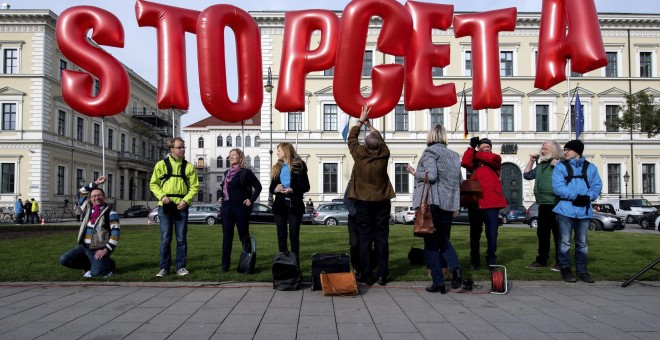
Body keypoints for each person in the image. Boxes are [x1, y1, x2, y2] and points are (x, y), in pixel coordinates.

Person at [406, 124, 463, 293]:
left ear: (430, 136)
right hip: (449, 204)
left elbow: (431, 176)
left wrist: (414, 172)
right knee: (444, 240)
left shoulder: (430, 152)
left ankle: (438, 281)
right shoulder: (454, 156)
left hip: (433, 203)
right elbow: (459, 181)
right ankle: (455, 268)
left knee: (431, 243)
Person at [348, 105, 395, 286]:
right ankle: (383, 274)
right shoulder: (384, 153)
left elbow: (351, 137)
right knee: (382, 238)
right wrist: (370, 127)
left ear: (365, 144)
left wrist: (361, 121)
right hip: (382, 201)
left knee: (365, 239)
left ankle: (366, 275)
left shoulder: (359, 154)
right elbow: (380, 140)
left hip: (363, 202)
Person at [552, 140, 602, 283]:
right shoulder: (560, 167)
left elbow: (597, 185)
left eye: (568, 150)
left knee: (582, 243)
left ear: (577, 152)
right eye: (564, 149)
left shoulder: (590, 168)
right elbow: (558, 187)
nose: (564, 152)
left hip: (583, 211)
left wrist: (588, 197)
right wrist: (576, 196)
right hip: (565, 210)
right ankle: (565, 269)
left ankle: (582, 271)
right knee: (564, 242)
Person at [150, 137, 199, 277]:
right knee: (165, 239)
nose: (183, 149)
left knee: (181, 239)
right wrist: (162, 196)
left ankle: (180, 267)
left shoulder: (188, 166)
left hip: (181, 205)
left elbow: (194, 186)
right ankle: (164, 268)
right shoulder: (161, 165)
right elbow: (154, 184)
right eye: (180, 147)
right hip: (165, 205)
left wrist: (186, 200)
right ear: (172, 149)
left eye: (183, 147)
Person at [59, 176, 120, 278]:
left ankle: (109, 263)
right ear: (91, 199)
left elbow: (115, 234)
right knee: (64, 259)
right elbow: (80, 193)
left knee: (97, 274)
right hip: (84, 248)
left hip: (98, 249)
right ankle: (90, 264)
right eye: (94, 196)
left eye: (99, 195)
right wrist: (96, 183)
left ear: (104, 197)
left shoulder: (110, 213)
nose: (97, 198)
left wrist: (106, 250)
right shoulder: (87, 208)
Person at [461, 137, 507, 270]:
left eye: (488, 146)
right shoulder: (475, 161)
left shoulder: (494, 158)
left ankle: (491, 259)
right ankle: (474, 260)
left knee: (492, 233)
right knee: (474, 234)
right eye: (484, 146)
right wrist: (471, 148)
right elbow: (464, 162)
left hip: (491, 202)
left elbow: (491, 159)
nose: (486, 148)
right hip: (476, 202)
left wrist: (476, 151)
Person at [218, 148, 262, 272]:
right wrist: (222, 197)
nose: (231, 157)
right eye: (229, 155)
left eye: (234, 155)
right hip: (226, 209)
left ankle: (247, 264)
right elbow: (226, 189)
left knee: (243, 236)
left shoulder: (246, 172)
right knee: (227, 237)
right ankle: (224, 266)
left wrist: (251, 200)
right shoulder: (226, 173)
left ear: (240, 158)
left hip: (241, 209)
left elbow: (258, 187)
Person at [523, 140, 562, 271]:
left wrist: (556, 164)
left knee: (558, 234)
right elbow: (527, 175)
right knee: (542, 233)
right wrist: (531, 161)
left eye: (545, 149)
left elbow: (568, 172)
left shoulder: (560, 163)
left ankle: (560, 261)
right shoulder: (541, 165)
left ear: (554, 151)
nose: (542, 151)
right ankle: (541, 260)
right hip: (543, 204)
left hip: (556, 203)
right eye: (543, 148)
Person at [269, 143, 310, 259]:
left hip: (295, 205)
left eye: (279, 151)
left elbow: (306, 186)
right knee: (281, 235)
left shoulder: (299, 165)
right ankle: (283, 262)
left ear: (286, 151)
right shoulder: (277, 167)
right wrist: (275, 189)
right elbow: (271, 188)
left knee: (294, 235)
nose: (277, 153)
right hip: (280, 205)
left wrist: (292, 190)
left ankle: (295, 263)